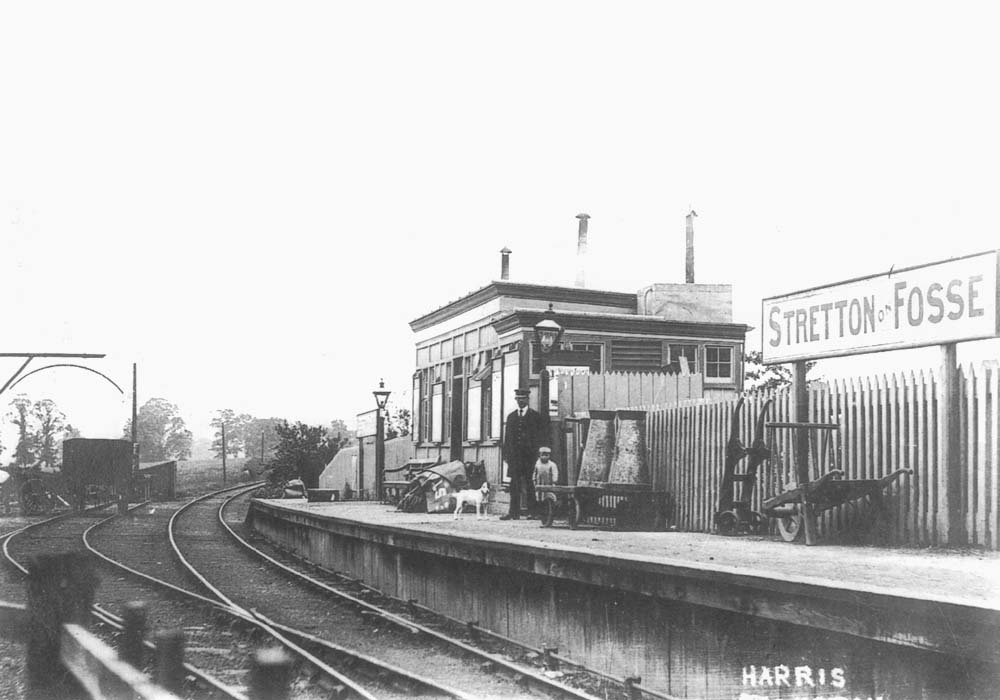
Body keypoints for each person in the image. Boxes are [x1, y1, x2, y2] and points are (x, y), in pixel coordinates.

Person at [500, 387, 543, 520]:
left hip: (529, 457)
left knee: (530, 483)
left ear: (527, 400)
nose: (520, 401)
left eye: (522, 399)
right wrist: (506, 455)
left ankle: (533, 512)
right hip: (515, 457)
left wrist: (537, 455)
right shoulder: (511, 417)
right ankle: (514, 512)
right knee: (514, 484)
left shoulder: (535, 416)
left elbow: (540, 437)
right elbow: (507, 438)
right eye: (518, 399)